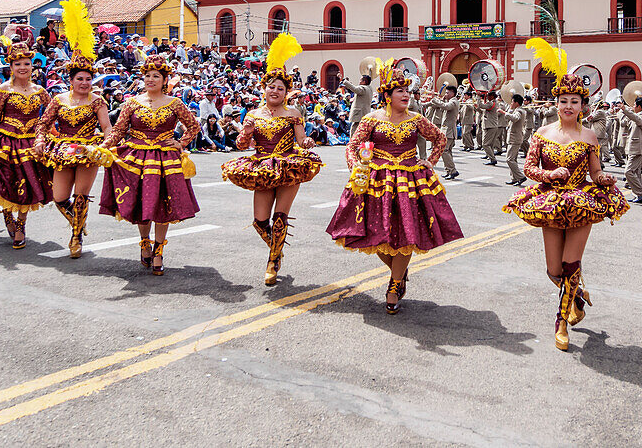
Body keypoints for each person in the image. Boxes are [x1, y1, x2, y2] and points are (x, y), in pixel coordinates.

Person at [503, 46, 628, 351]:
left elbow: (595, 171)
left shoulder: (590, 136)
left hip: (581, 203)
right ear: (555, 103)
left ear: (582, 105)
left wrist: (604, 179)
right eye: (563, 101)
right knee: (553, 270)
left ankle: (561, 323)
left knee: (570, 265)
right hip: (549, 203)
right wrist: (549, 175)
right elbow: (529, 167)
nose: (568, 106)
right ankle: (577, 297)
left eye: (574, 101)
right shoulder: (542, 132)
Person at [326, 60, 462, 315]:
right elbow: (352, 146)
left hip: (411, 181)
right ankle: (399, 271)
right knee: (378, 234)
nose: (406, 95)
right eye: (400, 91)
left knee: (407, 234)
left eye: (408, 91)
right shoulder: (371, 119)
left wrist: (429, 162)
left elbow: (440, 138)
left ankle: (394, 284)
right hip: (377, 182)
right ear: (387, 96)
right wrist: (357, 167)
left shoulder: (417, 119)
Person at [221, 34, 322, 286]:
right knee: (259, 221)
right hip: (262, 167)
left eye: (280, 88)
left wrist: (308, 142)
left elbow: (301, 141)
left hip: (288, 166)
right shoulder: (253, 113)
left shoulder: (293, 113)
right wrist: (245, 133)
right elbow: (241, 146)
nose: (275, 91)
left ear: (286, 92)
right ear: (264, 88)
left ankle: (273, 260)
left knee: (279, 218)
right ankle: (278, 248)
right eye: (271, 87)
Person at [99, 54, 200, 275]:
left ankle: (159, 250)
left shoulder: (175, 103)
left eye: (156, 76)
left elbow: (193, 126)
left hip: (165, 160)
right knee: (143, 203)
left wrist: (180, 142)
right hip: (136, 158)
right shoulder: (131, 102)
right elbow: (118, 130)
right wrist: (104, 146)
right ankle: (145, 242)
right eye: (147, 75)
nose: (151, 79)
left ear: (165, 80)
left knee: (163, 204)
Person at [33, 0, 111, 258]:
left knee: (81, 195)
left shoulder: (98, 100)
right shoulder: (59, 100)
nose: (85, 83)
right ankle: (77, 220)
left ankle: (76, 236)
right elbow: (43, 123)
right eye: (80, 79)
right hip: (62, 149)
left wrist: (105, 147)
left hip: (88, 150)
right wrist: (41, 140)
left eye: (89, 79)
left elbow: (107, 127)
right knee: (59, 196)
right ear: (71, 80)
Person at [0, 42, 53, 249]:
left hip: (30, 142)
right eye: (18, 63)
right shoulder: (3, 89)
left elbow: (53, 113)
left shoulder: (40, 90)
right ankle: (8, 215)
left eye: (26, 63)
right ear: (11, 67)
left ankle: (21, 224)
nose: (23, 67)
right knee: (6, 183)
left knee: (27, 185)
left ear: (32, 66)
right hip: (6, 141)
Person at [621, 97, 642, 203]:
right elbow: (623, 123)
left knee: (628, 172)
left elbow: (637, 120)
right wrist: (624, 111)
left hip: (637, 149)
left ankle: (641, 192)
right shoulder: (637, 115)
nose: (633, 106)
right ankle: (637, 195)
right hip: (633, 148)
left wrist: (625, 110)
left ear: (639, 106)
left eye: (634, 105)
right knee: (636, 173)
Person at [428, 84, 459, 180]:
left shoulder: (454, 102)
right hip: (446, 130)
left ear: (452, 93)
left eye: (447, 92)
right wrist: (440, 99)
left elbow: (445, 106)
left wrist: (434, 99)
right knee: (447, 151)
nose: (445, 94)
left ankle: (452, 170)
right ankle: (449, 170)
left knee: (444, 151)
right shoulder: (450, 100)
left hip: (449, 131)